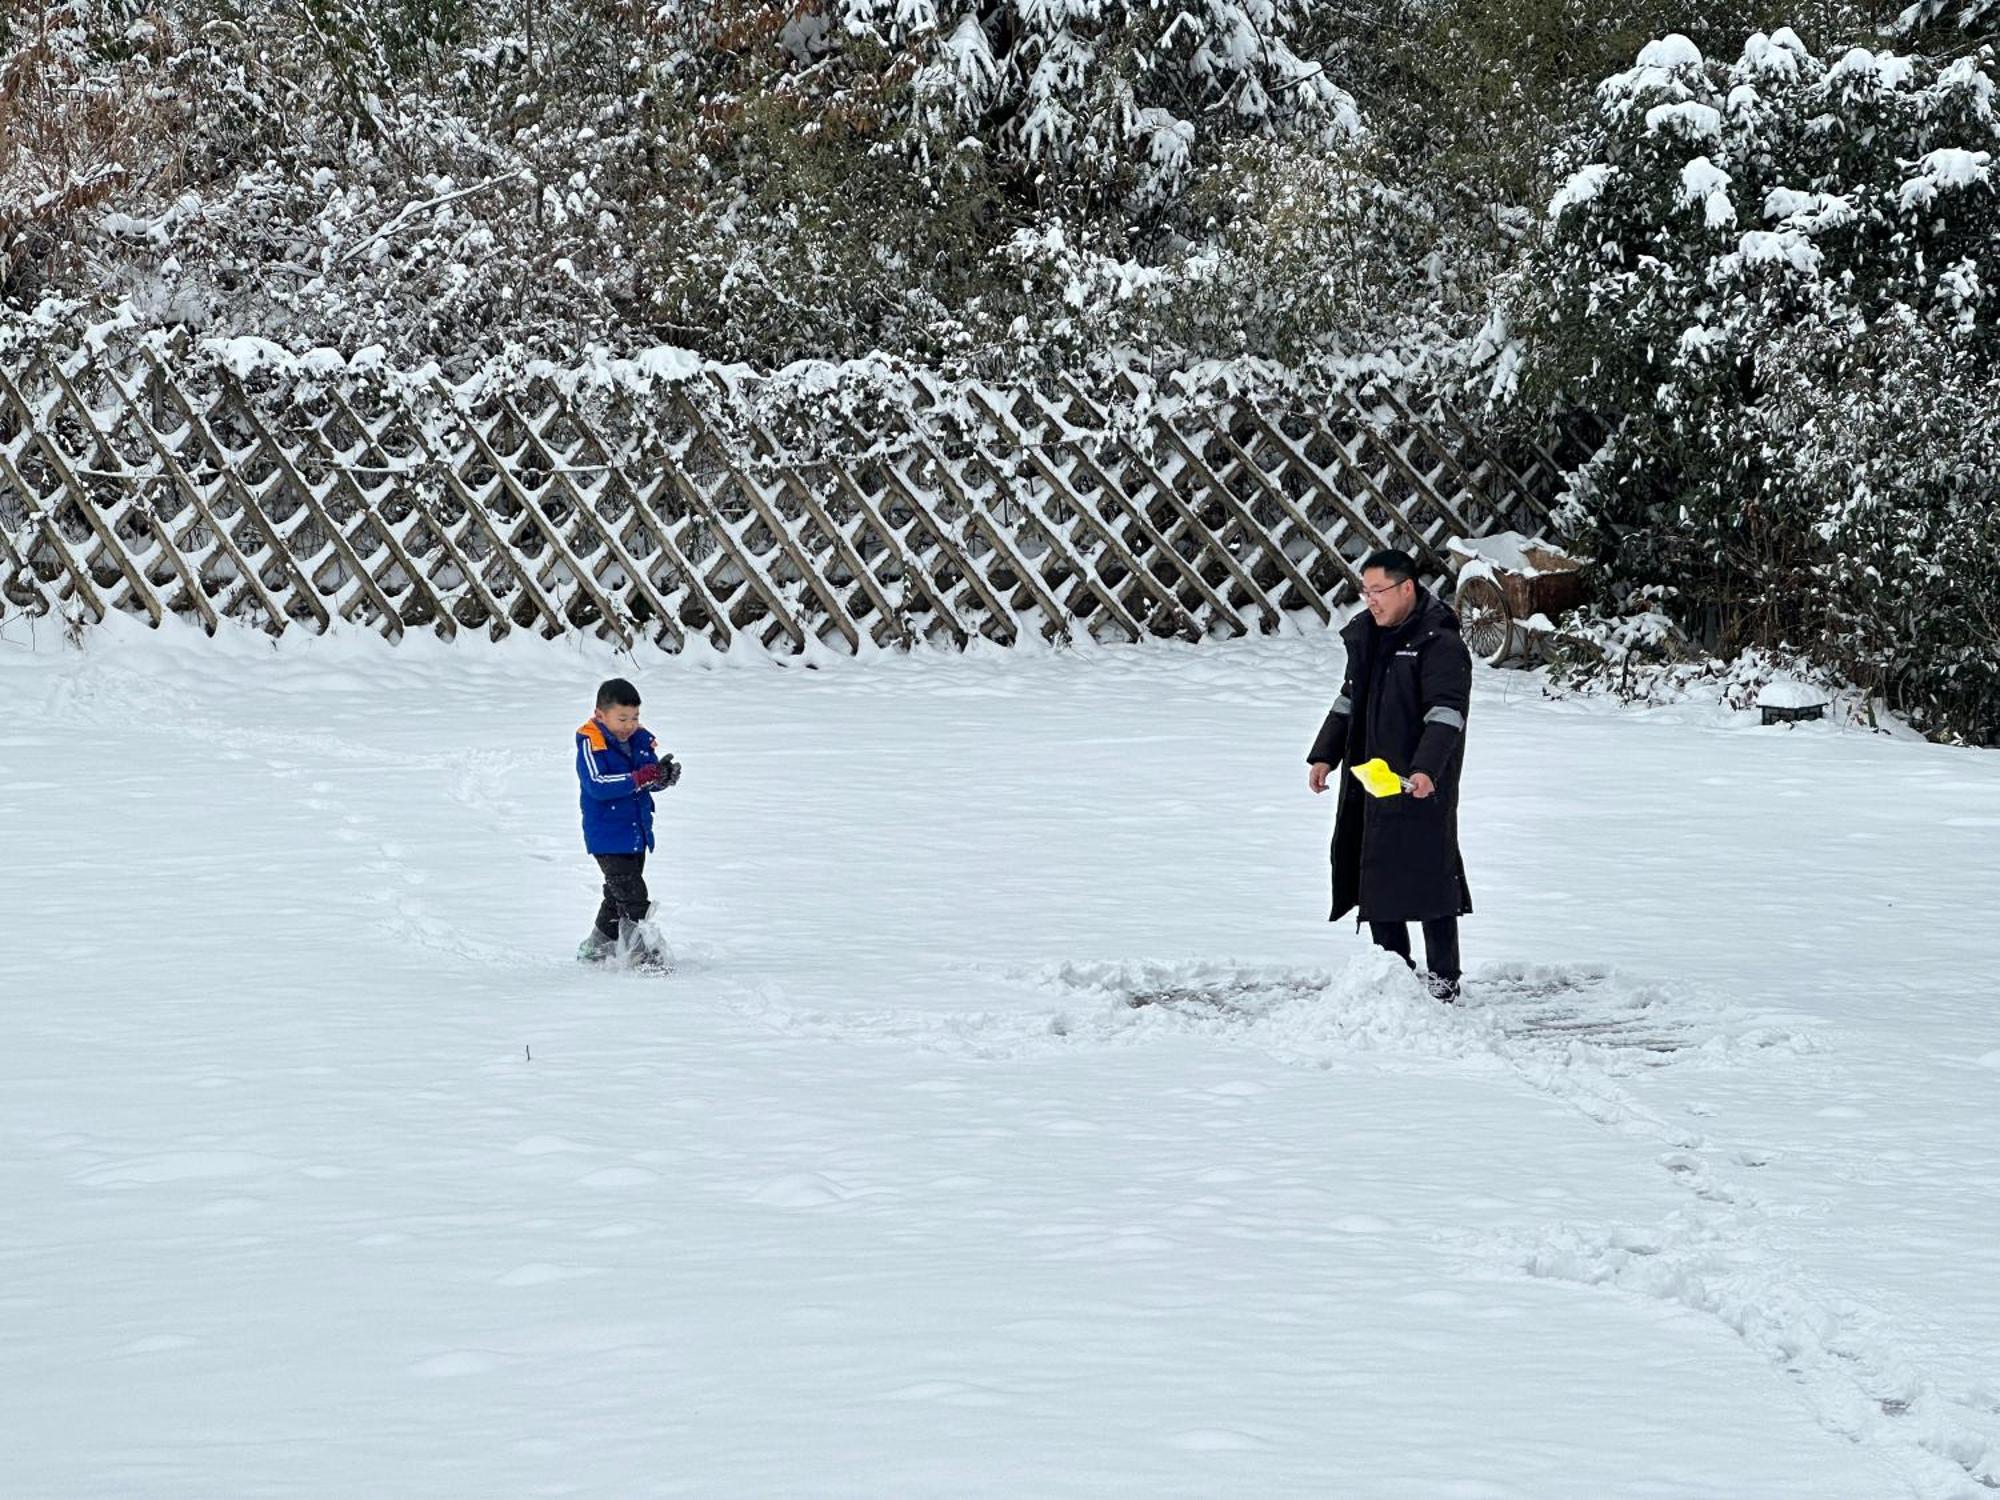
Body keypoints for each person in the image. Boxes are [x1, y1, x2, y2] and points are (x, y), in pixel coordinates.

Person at [1307, 548, 1472, 1000]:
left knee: (1430, 880)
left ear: (1406, 588)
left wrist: (1425, 769)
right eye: (1365, 590)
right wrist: (1325, 754)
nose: (1369, 600)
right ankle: (1394, 975)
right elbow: (1348, 701)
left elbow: (1446, 714)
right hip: (1372, 781)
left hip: (1421, 785)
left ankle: (1444, 980)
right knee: (1375, 877)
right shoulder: (1369, 637)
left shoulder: (1439, 643)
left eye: (1377, 590)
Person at [575, 677, 681, 963]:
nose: (629, 725)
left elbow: (646, 779)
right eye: (622, 718)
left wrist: (661, 778)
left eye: (634, 717)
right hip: (607, 836)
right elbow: (597, 785)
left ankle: (595, 948)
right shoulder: (592, 744)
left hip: (637, 833)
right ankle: (642, 957)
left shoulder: (640, 741)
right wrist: (638, 778)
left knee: (616, 896)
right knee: (634, 897)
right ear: (600, 715)